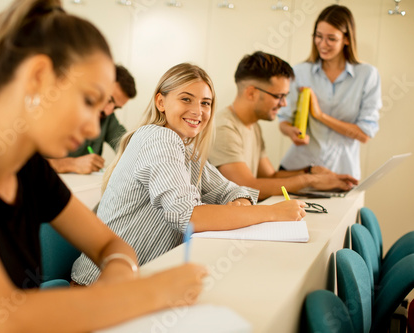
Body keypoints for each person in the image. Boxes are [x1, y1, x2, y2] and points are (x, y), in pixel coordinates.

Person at [0, 1, 207, 332]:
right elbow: (3, 319)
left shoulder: (31, 173)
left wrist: (118, 280)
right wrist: (150, 292)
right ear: (39, 77)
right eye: (88, 101)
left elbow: (112, 246)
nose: (94, 130)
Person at [71, 63, 307, 286]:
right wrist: (269, 213)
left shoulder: (186, 148)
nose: (198, 111)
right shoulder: (159, 138)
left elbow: (232, 189)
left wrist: (240, 204)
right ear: (161, 102)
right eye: (186, 99)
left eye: (206, 103)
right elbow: (186, 216)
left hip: (134, 286)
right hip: (99, 289)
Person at [209, 51, 357, 200]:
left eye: (285, 96)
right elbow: (246, 187)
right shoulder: (224, 128)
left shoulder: (253, 127)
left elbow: (270, 176)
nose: (284, 103)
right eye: (278, 96)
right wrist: (310, 180)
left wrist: (311, 171)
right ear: (251, 93)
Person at [278, 5, 382, 180]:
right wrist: (291, 132)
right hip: (300, 169)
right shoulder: (299, 72)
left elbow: (364, 135)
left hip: (342, 173)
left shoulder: (367, 75)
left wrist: (319, 115)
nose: (322, 44)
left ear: (347, 39)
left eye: (331, 39)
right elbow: (284, 120)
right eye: (318, 36)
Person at [48, 64, 137, 174]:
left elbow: (128, 145)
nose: (108, 111)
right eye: (109, 100)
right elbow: (24, 164)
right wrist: (71, 164)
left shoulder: (108, 117)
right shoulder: (52, 107)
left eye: (116, 108)